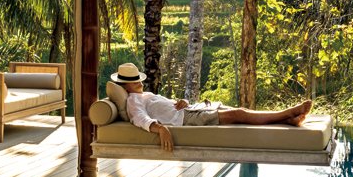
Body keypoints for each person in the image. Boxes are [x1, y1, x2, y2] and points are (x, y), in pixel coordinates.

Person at [109, 62, 311, 151]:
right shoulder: (133, 101)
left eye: (139, 79)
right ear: (124, 85)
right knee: (239, 113)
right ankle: (289, 112)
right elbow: (140, 119)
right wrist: (160, 128)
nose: (139, 83)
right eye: (134, 81)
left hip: (191, 110)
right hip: (188, 119)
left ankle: (288, 120)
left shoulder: (143, 94)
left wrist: (182, 102)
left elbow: (169, 106)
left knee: (241, 111)